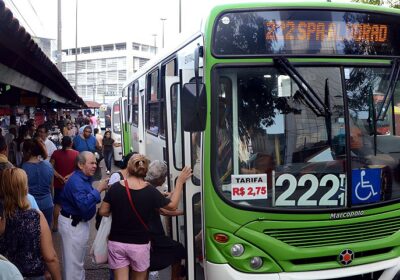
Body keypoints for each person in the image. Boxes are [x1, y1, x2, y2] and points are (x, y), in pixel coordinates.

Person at [99, 154, 192, 280]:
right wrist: (180, 182)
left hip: (117, 243)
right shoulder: (149, 191)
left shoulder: (115, 187)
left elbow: (103, 211)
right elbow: (173, 206)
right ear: (145, 170)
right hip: (139, 245)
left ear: (129, 168)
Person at [0, 168, 61, 280]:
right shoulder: (35, 216)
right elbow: (50, 257)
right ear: (24, 188)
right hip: (32, 275)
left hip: (5, 275)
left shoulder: (3, 218)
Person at [58, 151, 109, 280]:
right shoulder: (76, 182)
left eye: (95, 163)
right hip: (73, 225)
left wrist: (96, 192)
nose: (95, 166)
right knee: (73, 267)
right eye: (91, 163)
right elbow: (85, 204)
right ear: (81, 165)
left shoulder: (83, 178)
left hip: (78, 224)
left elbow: (91, 199)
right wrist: (98, 190)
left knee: (77, 264)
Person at [145, 160, 190, 280]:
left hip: (146, 236)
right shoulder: (150, 190)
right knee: (178, 250)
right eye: (164, 177)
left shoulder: (146, 186)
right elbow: (170, 207)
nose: (165, 180)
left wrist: (185, 212)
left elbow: (162, 209)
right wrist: (179, 182)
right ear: (159, 179)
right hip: (153, 237)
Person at [22, 139, 54, 227]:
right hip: (47, 203)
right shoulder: (48, 165)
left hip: (30, 204)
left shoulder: (23, 168)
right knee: (47, 230)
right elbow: (51, 187)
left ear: (27, 151)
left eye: (23, 151)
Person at [50, 136, 79, 232]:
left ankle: (55, 225)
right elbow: (78, 169)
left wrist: (59, 177)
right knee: (72, 202)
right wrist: (69, 176)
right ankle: (72, 223)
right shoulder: (76, 154)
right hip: (71, 183)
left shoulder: (56, 153)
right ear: (71, 143)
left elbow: (50, 167)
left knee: (57, 204)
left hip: (59, 183)